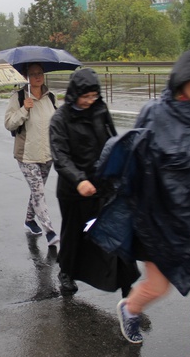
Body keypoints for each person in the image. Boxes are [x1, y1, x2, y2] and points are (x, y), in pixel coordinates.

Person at [96, 50, 190, 357]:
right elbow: (135, 167)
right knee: (159, 284)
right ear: (182, 78)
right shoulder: (155, 114)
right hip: (159, 219)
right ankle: (130, 309)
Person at [49, 68, 139, 295]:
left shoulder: (100, 110)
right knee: (75, 234)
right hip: (74, 189)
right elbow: (60, 156)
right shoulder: (60, 119)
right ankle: (67, 271)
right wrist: (79, 180)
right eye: (85, 96)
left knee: (115, 231)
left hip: (103, 184)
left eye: (93, 96)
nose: (90, 101)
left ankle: (128, 287)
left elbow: (113, 141)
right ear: (74, 94)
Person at [3, 63, 59, 246]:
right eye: (33, 74)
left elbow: (58, 122)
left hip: (47, 154)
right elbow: (9, 124)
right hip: (26, 155)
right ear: (26, 76)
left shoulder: (51, 97)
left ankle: (29, 220)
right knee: (39, 191)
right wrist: (24, 109)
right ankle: (50, 230)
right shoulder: (19, 97)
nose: (37, 77)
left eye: (40, 73)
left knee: (37, 191)